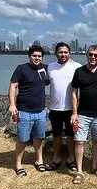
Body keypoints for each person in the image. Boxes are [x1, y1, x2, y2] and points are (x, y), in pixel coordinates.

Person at [8, 45, 48, 176]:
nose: (37, 58)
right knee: (22, 139)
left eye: (39, 56)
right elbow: (13, 86)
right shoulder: (21, 68)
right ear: (29, 56)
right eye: (34, 55)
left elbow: (61, 69)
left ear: (42, 57)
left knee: (39, 137)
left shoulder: (45, 68)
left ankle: (39, 160)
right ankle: (18, 164)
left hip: (40, 111)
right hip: (24, 111)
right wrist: (12, 104)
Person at [70, 45, 97, 184]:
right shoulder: (79, 71)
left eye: (96, 55)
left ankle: (94, 167)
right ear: (86, 55)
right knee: (79, 141)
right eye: (90, 54)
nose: (93, 57)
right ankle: (79, 171)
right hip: (83, 114)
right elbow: (74, 93)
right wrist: (74, 113)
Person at [45, 42, 81, 171]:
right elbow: (42, 80)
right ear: (56, 53)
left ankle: (71, 159)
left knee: (71, 135)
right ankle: (56, 158)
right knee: (56, 134)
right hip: (55, 108)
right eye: (60, 52)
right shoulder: (50, 67)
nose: (63, 54)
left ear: (69, 53)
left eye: (66, 52)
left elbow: (90, 71)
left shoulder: (77, 66)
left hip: (71, 108)